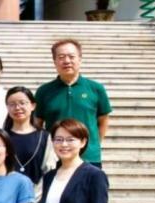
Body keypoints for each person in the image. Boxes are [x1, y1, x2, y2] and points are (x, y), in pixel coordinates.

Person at [35, 39, 112, 168]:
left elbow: (103, 120)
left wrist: (93, 144)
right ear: (54, 61)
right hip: (55, 157)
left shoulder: (96, 88)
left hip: (89, 157)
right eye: (61, 57)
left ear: (80, 59)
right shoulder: (44, 91)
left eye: (71, 56)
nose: (67, 61)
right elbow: (37, 124)